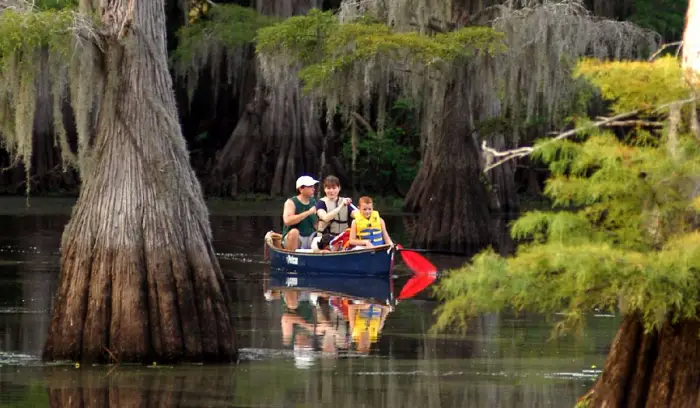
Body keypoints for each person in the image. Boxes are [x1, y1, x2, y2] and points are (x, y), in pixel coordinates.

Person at [282, 175, 319, 250]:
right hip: (295, 238)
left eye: (313, 186)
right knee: (294, 232)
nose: (313, 189)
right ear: (301, 189)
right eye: (310, 186)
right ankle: (293, 257)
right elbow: (287, 221)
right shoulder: (291, 202)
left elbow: (316, 224)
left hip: (310, 237)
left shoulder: (314, 202)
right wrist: (308, 212)